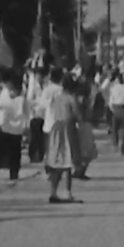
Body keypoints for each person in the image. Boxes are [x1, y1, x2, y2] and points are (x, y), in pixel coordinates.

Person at [44, 74, 82, 203]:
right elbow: (77, 114)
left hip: (56, 128)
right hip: (68, 128)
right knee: (68, 161)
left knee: (57, 162)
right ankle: (67, 192)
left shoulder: (57, 98)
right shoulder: (71, 98)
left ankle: (53, 191)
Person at [0, 72, 28, 182]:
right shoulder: (20, 98)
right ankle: (12, 173)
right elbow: (27, 114)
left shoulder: (7, 95)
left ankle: (2, 170)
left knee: (5, 151)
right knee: (14, 153)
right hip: (14, 129)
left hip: (8, 128)